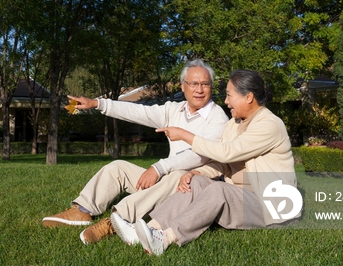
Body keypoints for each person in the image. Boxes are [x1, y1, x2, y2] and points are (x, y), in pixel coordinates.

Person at [41, 59, 229, 245]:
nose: (199, 89)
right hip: (168, 176)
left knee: (177, 174)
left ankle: (116, 221)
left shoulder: (217, 117)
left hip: (191, 184)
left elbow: (200, 154)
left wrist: (159, 168)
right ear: (183, 86)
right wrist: (98, 104)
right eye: (194, 83)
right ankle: (82, 210)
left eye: (205, 84)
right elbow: (139, 112)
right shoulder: (175, 110)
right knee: (117, 168)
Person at [121, 69, 299, 255]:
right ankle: (149, 229)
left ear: (248, 97)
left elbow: (227, 153)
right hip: (242, 197)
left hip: (270, 205)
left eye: (229, 95)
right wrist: (196, 173)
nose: (226, 101)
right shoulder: (234, 125)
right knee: (195, 183)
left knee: (217, 189)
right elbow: (222, 164)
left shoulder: (269, 124)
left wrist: (185, 135)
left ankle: (166, 238)